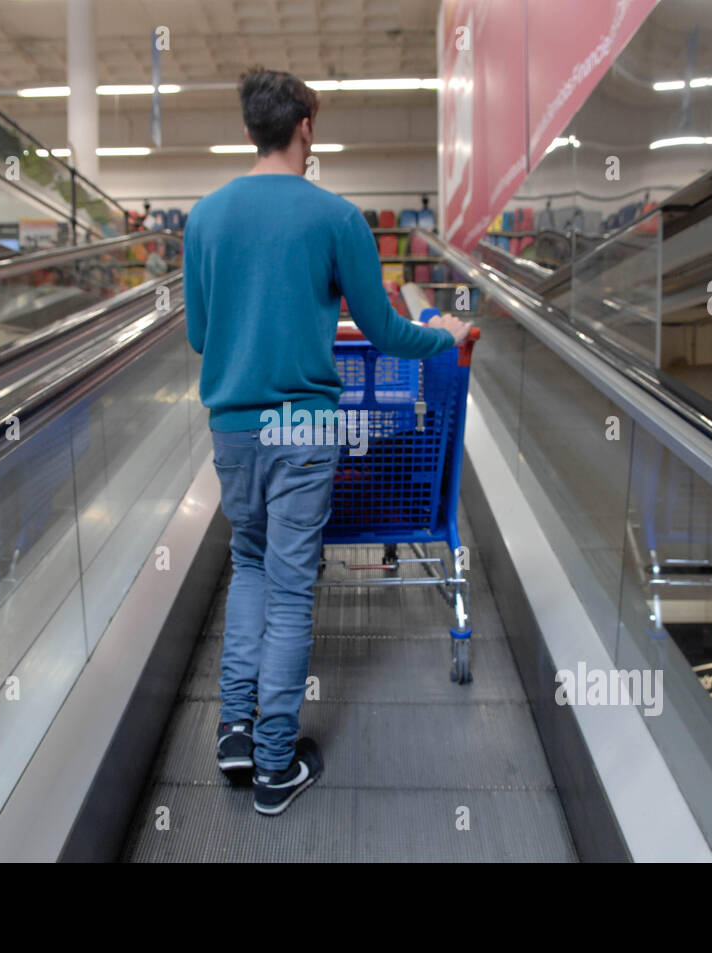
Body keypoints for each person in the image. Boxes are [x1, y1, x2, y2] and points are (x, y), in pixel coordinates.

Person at [184, 68, 472, 816]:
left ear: (253, 127)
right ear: (305, 125)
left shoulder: (205, 219)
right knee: (288, 588)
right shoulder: (337, 217)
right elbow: (382, 329)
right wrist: (442, 340)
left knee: (248, 566)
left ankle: (236, 733)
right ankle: (277, 765)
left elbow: (197, 335)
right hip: (302, 428)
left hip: (234, 429)